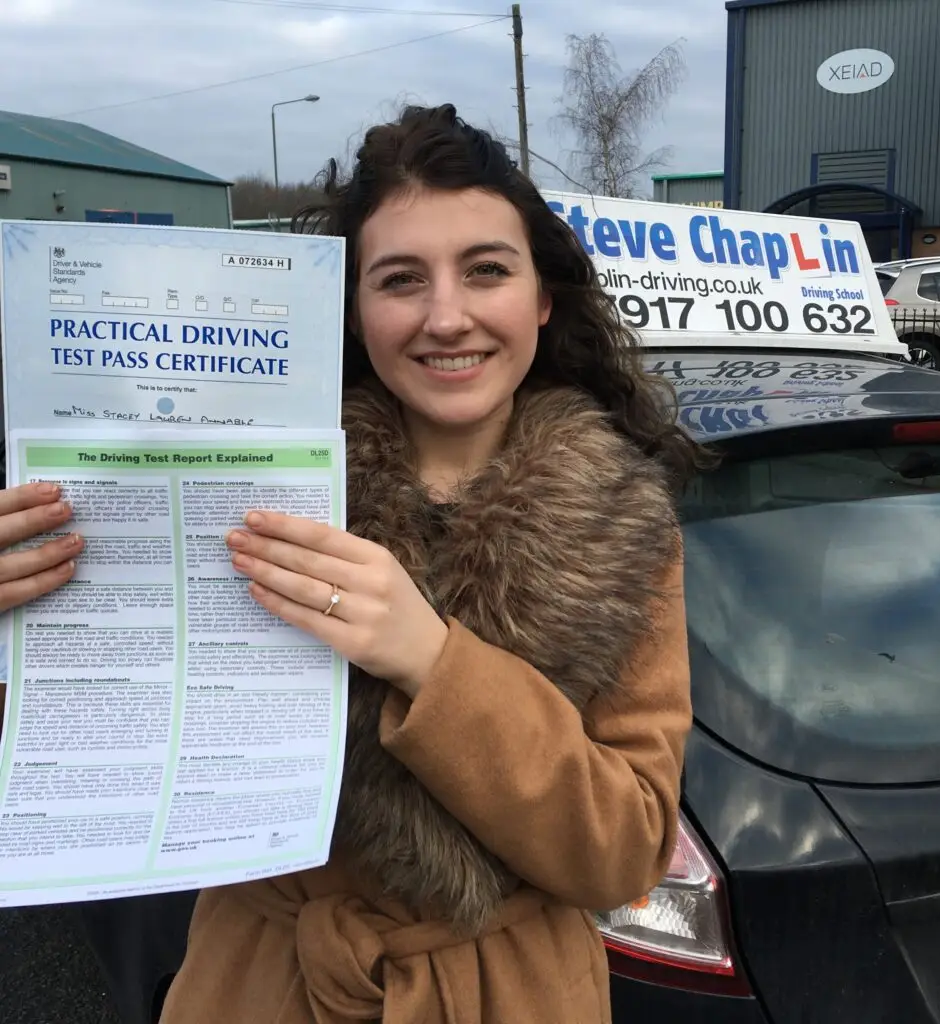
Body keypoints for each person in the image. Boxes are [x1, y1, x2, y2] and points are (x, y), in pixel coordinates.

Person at [1, 102, 702, 1023]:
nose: (446, 318)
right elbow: (105, 758)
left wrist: (434, 663)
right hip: (259, 983)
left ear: (541, 296)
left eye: (486, 270)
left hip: (507, 992)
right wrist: (25, 637)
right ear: (354, 310)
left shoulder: (625, 523)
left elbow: (624, 853)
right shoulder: (233, 485)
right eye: (400, 279)